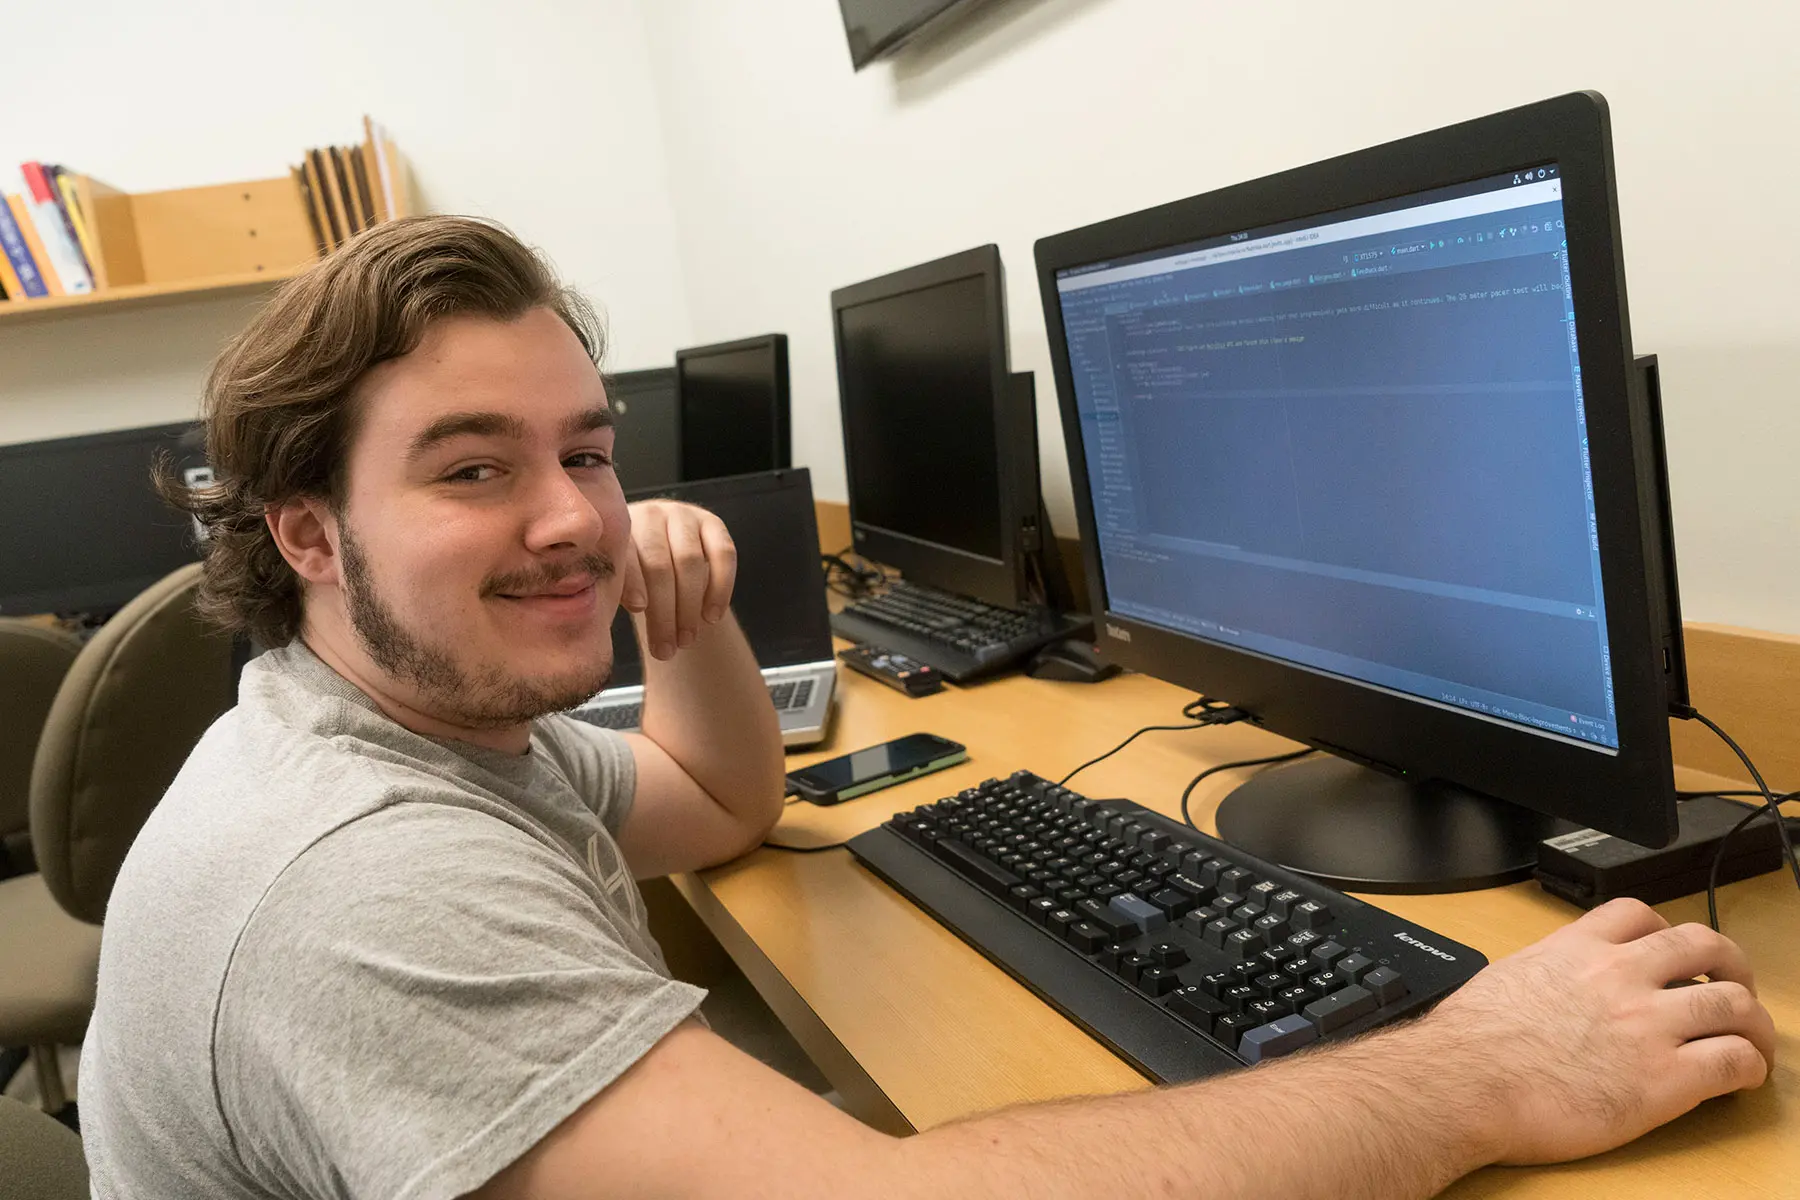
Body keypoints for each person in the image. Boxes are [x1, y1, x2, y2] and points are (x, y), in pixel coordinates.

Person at [81, 216, 1775, 1200]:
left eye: (586, 453)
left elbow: (715, 803)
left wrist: (691, 613)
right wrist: (1468, 1073)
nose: (572, 517)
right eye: (473, 469)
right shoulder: (361, 879)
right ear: (305, 529)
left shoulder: (423, 731)